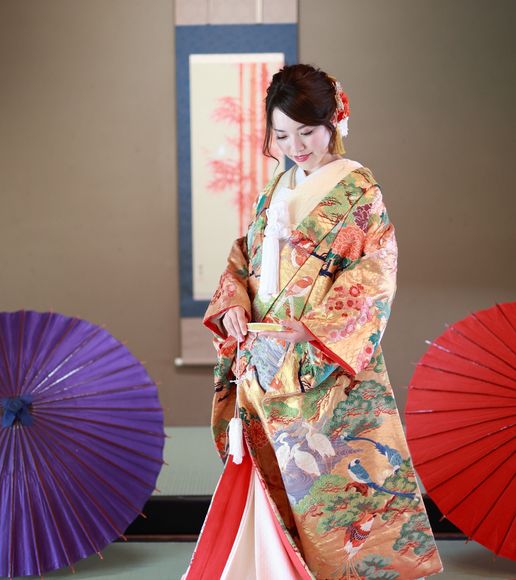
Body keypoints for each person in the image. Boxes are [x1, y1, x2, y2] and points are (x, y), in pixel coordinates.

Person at [183, 64, 443, 579]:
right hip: (264, 359)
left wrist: (317, 327)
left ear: (333, 121)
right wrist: (233, 302)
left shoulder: (358, 191)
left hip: (322, 360)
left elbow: (376, 271)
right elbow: (243, 258)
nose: (296, 146)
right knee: (272, 482)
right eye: (282, 135)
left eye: (307, 131)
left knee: (335, 492)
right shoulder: (276, 189)